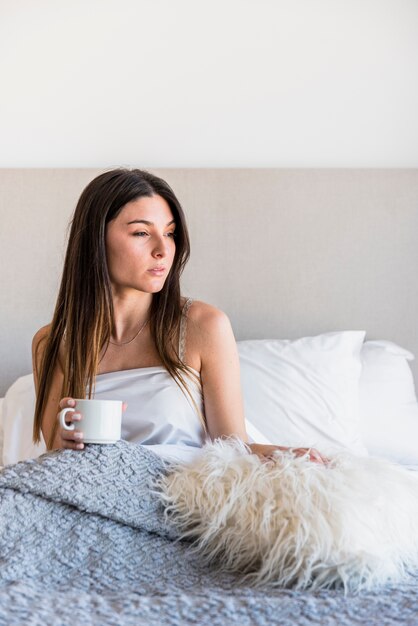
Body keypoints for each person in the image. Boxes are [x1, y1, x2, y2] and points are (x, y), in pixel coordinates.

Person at [32, 168, 328, 465]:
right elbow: (55, 461)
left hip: (176, 498)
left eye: (170, 233)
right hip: (95, 498)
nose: (163, 249)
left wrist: (288, 457)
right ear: (96, 239)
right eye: (142, 233)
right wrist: (63, 444)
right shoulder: (53, 343)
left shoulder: (202, 326)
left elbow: (233, 447)